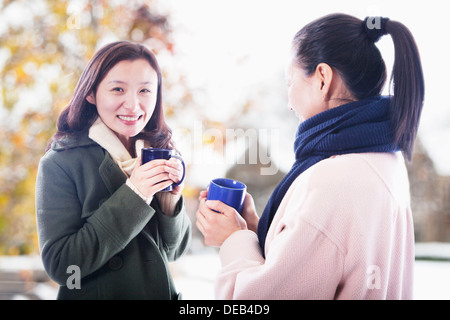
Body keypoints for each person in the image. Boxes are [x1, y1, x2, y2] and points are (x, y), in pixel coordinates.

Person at [196, 14, 424, 299]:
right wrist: (256, 229)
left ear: (322, 79)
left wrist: (233, 240)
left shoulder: (333, 179)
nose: (289, 102)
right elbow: (332, 256)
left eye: (290, 82)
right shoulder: (385, 158)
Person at [35, 41, 191, 300]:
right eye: (118, 89)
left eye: (144, 91)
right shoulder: (60, 162)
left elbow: (174, 252)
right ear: (92, 94)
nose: (133, 105)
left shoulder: (159, 150)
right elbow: (64, 267)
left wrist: (169, 200)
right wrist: (135, 194)